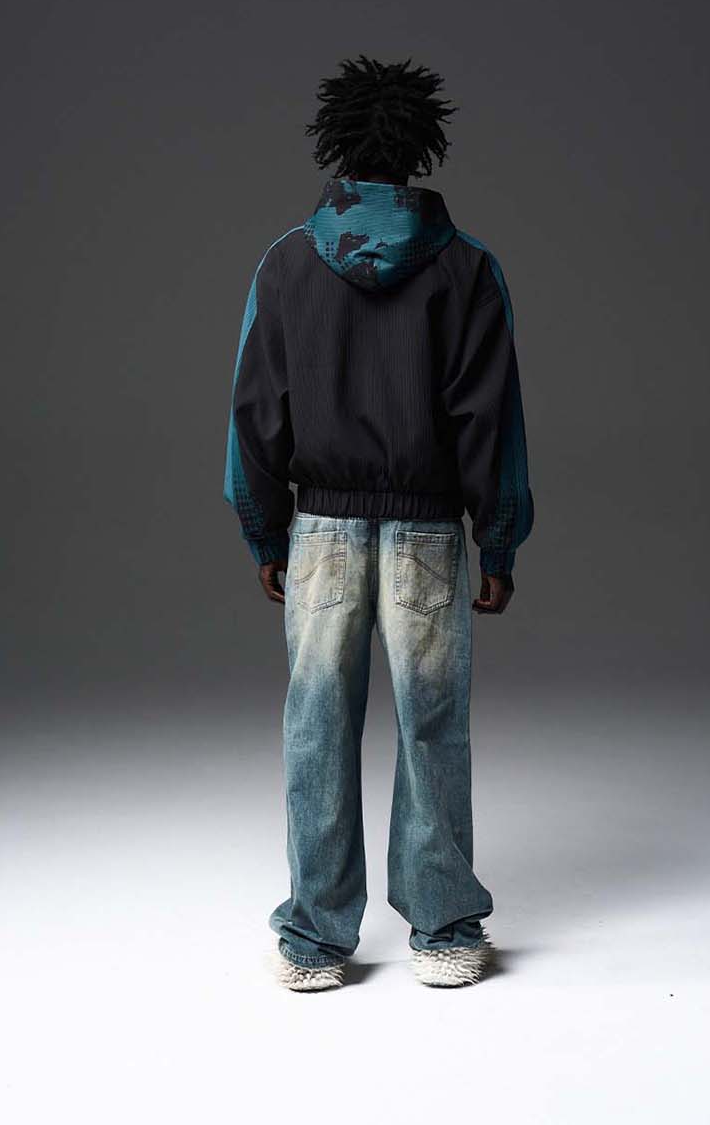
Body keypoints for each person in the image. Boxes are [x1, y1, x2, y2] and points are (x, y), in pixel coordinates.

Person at [224, 55, 534, 990]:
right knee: (433, 725)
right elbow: (490, 418)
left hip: (319, 532)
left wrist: (265, 530)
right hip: (429, 534)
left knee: (316, 726)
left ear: (339, 146)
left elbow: (256, 413)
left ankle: (316, 938)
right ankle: (443, 929)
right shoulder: (467, 268)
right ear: (417, 152)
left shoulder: (286, 263)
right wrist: (498, 538)